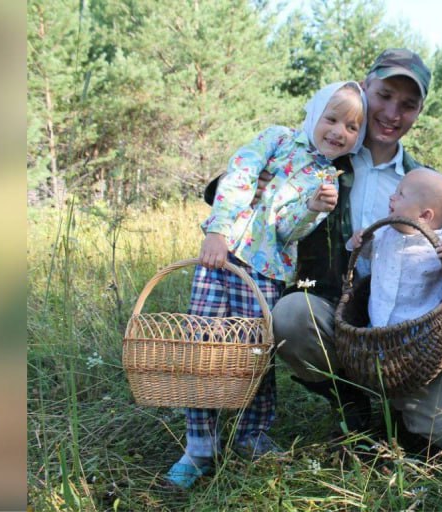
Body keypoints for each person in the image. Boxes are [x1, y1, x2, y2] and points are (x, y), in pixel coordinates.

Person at [270, 48, 442, 450]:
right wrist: (242, 189)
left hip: (407, 338)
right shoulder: (320, 156)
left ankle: (398, 401)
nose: (393, 113)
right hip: (334, 314)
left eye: (408, 105)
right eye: (385, 95)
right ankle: (346, 396)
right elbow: (255, 164)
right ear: (364, 87)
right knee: (290, 316)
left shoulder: (420, 181)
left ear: (419, 112)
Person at [164, 81, 367, 489]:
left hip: (269, 272)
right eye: (331, 119)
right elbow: (239, 175)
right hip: (223, 256)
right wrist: (218, 231)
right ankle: (199, 443)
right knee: (204, 347)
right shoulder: (277, 138)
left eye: (351, 127)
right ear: (313, 114)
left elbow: (286, 232)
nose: (338, 131)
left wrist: (312, 210)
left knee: (255, 353)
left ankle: (250, 433)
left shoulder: (326, 177)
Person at [347, 168, 442, 328]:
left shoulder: (440, 244)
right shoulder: (383, 233)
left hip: (421, 325)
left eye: (400, 194)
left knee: (412, 352)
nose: (391, 197)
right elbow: (366, 254)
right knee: (373, 347)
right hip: (377, 319)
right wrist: (360, 242)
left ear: (424, 216)